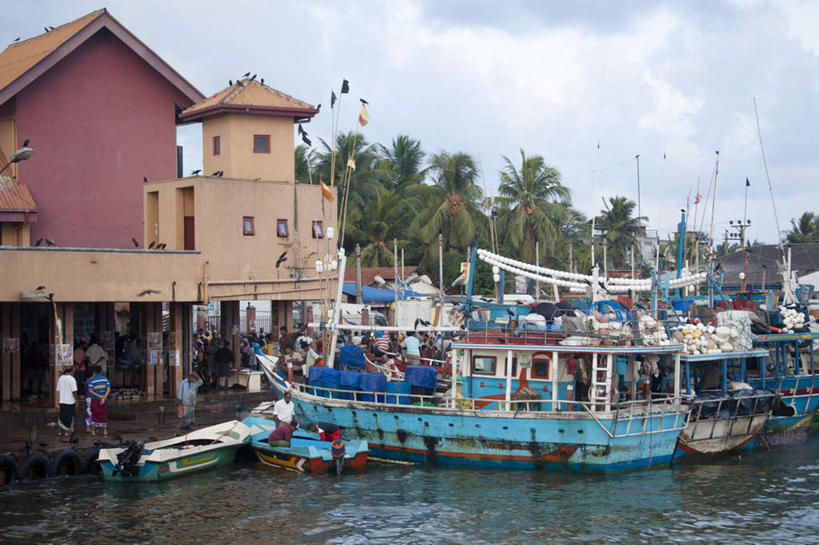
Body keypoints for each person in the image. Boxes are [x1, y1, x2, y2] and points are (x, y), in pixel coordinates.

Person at [87, 366, 111, 436]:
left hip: (95, 399)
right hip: (104, 400)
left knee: (94, 414)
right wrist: (103, 397)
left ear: (94, 372)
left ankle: (93, 431)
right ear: (101, 371)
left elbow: (90, 390)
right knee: (103, 414)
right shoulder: (105, 379)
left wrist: (99, 396)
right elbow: (108, 389)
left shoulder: (92, 380)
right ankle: (104, 431)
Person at [56, 366, 78, 437]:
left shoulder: (60, 378)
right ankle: (66, 432)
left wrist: (58, 400)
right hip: (70, 401)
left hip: (62, 401)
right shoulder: (72, 379)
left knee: (61, 417)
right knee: (69, 417)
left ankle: (59, 431)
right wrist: (77, 400)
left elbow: (58, 391)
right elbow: (74, 391)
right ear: (71, 371)